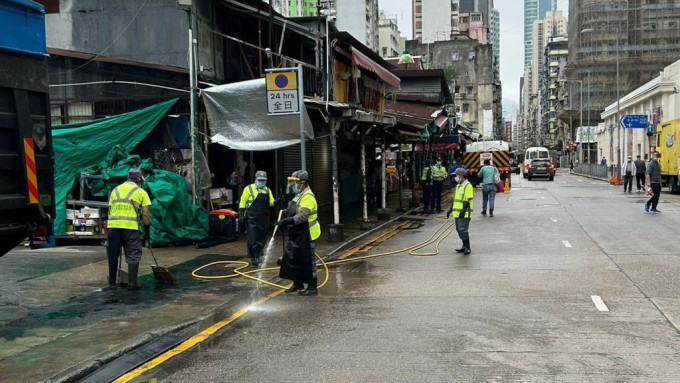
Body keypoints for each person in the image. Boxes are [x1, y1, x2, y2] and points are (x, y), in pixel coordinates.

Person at [274, 170, 321, 296]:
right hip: (297, 233)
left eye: (295, 183)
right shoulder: (300, 194)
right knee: (293, 258)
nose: (293, 185)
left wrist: (286, 221)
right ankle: (297, 284)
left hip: (307, 234)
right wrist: (284, 211)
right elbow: (295, 208)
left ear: (303, 183)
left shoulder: (308, 197)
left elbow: (302, 217)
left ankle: (312, 287)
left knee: (307, 261)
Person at [106, 169, 151, 291]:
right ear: (138, 181)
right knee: (133, 254)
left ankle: (111, 283)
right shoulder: (141, 192)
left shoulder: (115, 190)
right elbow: (145, 214)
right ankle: (132, 283)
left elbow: (110, 210)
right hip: (130, 227)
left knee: (113, 254)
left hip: (113, 227)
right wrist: (147, 230)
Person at [239, 170, 275, 266]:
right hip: (251, 218)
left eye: (263, 181)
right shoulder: (248, 189)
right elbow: (243, 202)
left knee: (262, 237)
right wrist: (241, 214)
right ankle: (254, 257)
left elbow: (271, 203)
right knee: (253, 237)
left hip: (264, 218)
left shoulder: (267, 190)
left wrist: (277, 202)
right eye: (260, 180)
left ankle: (258, 253)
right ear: (255, 179)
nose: (261, 182)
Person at [446, 168, 473, 255]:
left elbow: (467, 199)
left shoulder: (468, 185)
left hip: (464, 213)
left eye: (457, 175)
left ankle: (468, 247)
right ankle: (464, 245)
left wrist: (463, 210)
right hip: (457, 212)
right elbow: (455, 199)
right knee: (459, 229)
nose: (456, 177)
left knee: (463, 230)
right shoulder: (458, 186)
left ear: (461, 176)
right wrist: (450, 209)